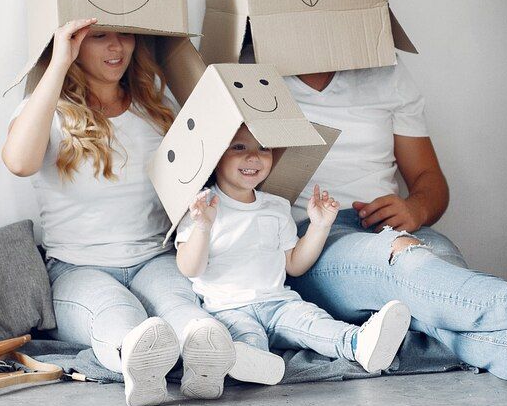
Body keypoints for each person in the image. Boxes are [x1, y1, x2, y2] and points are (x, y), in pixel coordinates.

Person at [281, 61, 507, 405]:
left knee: (440, 285)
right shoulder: (251, 75)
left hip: (387, 222)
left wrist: (414, 208)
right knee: (404, 261)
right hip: (310, 239)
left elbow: (430, 184)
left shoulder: (383, 68)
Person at [2, 18, 237, 406]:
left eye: (124, 34)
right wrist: (58, 63)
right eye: (99, 37)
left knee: (182, 309)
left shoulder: (156, 105)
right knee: (117, 312)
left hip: (154, 257)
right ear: (75, 45)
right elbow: (19, 162)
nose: (117, 48)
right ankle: (139, 361)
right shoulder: (46, 110)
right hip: (77, 267)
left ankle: (206, 361)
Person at [174, 125, 412, 384]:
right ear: (217, 155)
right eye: (239, 147)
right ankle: (256, 364)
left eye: (263, 148)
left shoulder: (275, 206)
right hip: (228, 309)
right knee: (247, 338)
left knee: (312, 321)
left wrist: (320, 226)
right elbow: (190, 268)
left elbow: (294, 264)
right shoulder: (201, 208)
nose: (254, 157)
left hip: (279, 303)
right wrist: (202, 226)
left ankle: (358, 343)